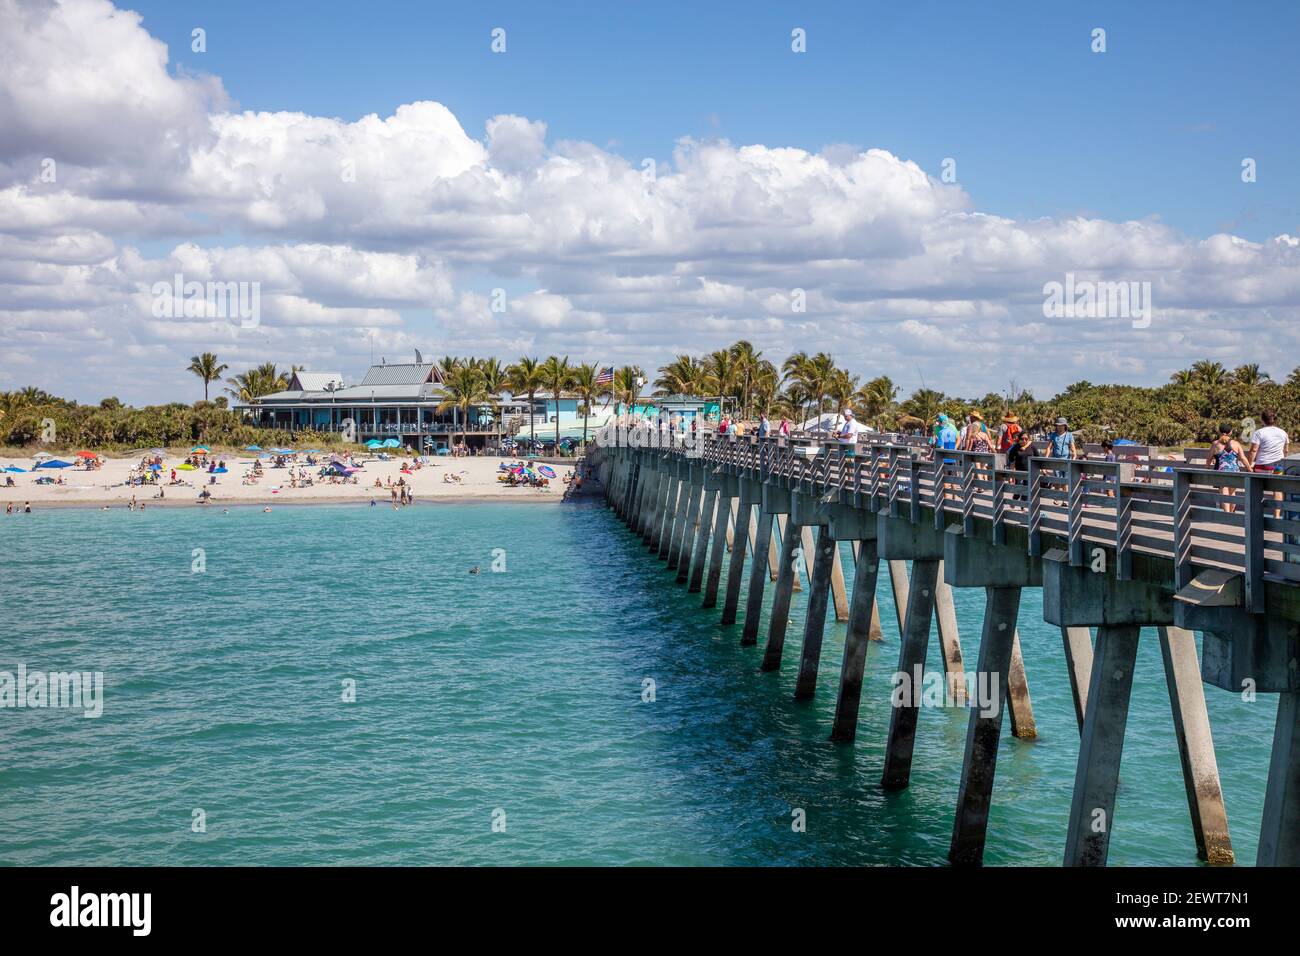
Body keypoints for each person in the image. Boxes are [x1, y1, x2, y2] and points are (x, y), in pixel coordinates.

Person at [1211, 423, 1246, 514]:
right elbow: (1242, 458)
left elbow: (1209, 458)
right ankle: (1232, 513)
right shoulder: (1236, 444)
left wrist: (1206, 468)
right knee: (1232, 493)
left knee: (1224, 492)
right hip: (1234, 471)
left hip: (1221, 471)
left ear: (1219, 432)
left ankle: (1226, 514)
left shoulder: (1215, 444)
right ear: (1230, 433)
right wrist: (1249, 469)